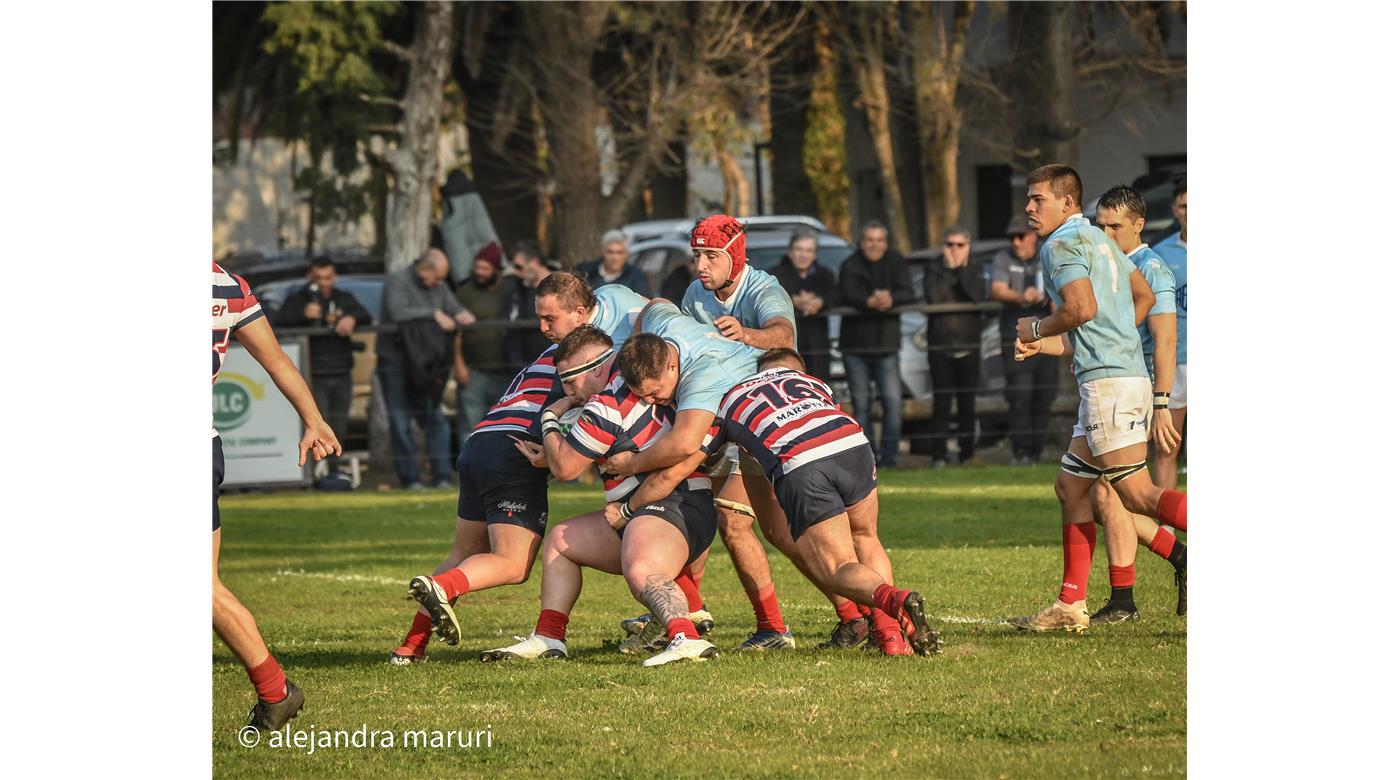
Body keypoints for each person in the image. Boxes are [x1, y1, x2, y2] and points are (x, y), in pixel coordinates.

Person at [392, 274, 649, 663]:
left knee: (465, 549)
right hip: (513, 453)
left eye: (551, 319)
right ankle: (441, 586)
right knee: (512, 564)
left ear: (581, 314)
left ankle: (411, 646)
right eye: (540, 318)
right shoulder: (586, 360)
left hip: (479, 443)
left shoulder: (548, 357)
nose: (544, 329)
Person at [621, 348, 942, 656]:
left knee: (838, 568)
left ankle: (896, 601)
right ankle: (891, 639)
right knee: (867, 538)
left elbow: (681, 465)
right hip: (854, 445)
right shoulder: (813, 383)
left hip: (803, 464)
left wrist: (629, 502)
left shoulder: (728, 399)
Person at [1005, 164, 1188, 633]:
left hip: (1110, 386)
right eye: (1028, 198)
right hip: (1111, 380)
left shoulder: (1062, 243)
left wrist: (1037, 327)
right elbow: (1139, 294)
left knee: (1137, 495)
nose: (1028, 207)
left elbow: (1081, 308)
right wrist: (1111, 339)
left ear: (1067, 203)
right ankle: (1071, 605)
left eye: (1037, 199)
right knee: (1071, 488)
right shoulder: (1098, 239)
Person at [481, 326, 718, 667]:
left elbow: (565, 469)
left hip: (673, 504)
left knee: (642, 567)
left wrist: (549, 418)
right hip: (669, 506)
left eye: (570, 381)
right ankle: (550, 636)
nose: (567, 391)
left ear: (595, 369)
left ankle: (686, 638)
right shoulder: (631, 381)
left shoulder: (607, 405)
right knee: (561, 542)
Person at [673, 213, 849, 653]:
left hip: (765, 420)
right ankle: (687, 613)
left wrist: (747, 334)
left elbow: (784, 335)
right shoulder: (696, 293)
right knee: (702, 509)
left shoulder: (765, 288)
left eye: (711, 256)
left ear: (734, 256)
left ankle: (841, 616)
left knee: (752, 526)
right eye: (697, 256)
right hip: (722, 419)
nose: (701, 266)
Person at [213, 262, 341, 731]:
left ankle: (276, 690)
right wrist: (312, 418)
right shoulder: (228, 284)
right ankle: (275, 691)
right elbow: (277, 360)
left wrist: (314, 419)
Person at [1089, 184, 1187, 622]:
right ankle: (1180, 561)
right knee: (1103, 495)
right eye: (1101, 225)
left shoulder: (1152, 268)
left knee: (1117, 494)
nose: (1106, 233)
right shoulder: (1108, 265)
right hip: (1111, 386)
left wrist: (1162, 402)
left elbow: (1166, 341)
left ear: (1139, 226)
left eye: (1116, 226)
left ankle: (1125, 599)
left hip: (1137, 391)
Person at [377, 249, 475, 489]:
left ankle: (442, 475)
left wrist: (462, 314)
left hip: (428, 365)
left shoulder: (438, 286)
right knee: (400, 421)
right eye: (437, 277)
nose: (439, 283)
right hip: (396, 361)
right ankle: (410, 478)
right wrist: (433, 314)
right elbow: (398, 312)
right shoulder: (397, 281)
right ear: (424, 270)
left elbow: (453, 306)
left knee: (436, 418)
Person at [270, 256, 372, 472]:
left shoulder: (344, 298)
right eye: (318, 278)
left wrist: (351, 318)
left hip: (341, 369)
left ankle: (333, 471)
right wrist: (302, 315)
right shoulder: (298, 298)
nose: (323, 282)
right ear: (310, 277)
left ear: (334, 277)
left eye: (328, 277)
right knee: (315, 423)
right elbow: (276, 321)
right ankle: (314, 473)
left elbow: (366, 314)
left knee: (340, 424)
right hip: (311, 371)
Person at [838, 221, 915, 466]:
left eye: (879, 239)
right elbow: (846, 292)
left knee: (893, 402)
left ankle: (890, 457)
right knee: (862, 406)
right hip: (855, 347)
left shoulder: (896, 262)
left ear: (886, 242)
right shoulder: (850, 264)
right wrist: (868, 301)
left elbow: (909, 292)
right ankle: (867, 458)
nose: (875, 244)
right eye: (870, 240)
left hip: (886, 345)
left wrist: (890, 299)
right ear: (862, 242)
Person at [989, 215, 1057, 464]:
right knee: (1020, 395)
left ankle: (1036, 451)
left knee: (1045, 394)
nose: (1015, 242)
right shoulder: (1003, 257)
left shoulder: (1047, 254)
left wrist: (1054, 301)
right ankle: (1021, 452)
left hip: (1047, 335)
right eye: (1011, 237)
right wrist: (1021, 296)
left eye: (1020, 236)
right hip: (1015, 337)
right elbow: (997, 288)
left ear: (1033, 236)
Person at [924, 226, 984, 468]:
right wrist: (950, 271)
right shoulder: (934, 267)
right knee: (941, 403)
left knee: (967, 403)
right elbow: (933, 296)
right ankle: (939, 456)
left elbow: (976, 295)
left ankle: (966, 454)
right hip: (940, 346)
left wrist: (961, 270)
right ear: (943, 246)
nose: (955, 249)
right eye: (950, 244)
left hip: (969, 345)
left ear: (968, 246)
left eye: (960, 245)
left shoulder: (976, 267)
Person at [453, 242, 514, 443]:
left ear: (497, 270)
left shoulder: (509, 290)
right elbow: (456, 332)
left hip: (505, 371)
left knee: (502, 426)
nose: (479, 272)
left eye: (485, 268)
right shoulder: (465, 292)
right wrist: (459, 365)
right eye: (477, 267)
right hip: (474, 371)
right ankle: (469, 471)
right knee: (470, 425)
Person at [1151, 180, 1188, 489]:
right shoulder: (1161, 254)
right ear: (1176, 210)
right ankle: (1166, 530)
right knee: (1166, 448)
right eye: (1185, 206)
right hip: (1174, 361)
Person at [768, 228, 837, 384]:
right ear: (790, 251)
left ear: (815, 254)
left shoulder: (826, 275)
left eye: (808, 250)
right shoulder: (774, 275)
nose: (803, 255)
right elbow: (769, 296)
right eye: (799, 249)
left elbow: (837, 295)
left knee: (819, 387)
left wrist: (820, 302)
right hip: (787, 345)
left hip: (818, 345)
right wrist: (792, 301)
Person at [506, 240, 554, 367]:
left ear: (535, 262)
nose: (517, 272)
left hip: (557, 362)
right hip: (526, 364)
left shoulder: (562, 286)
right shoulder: (517, 289)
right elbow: (512, 327)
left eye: (519, 267)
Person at [575, 229, 653, 297]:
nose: (615, 258)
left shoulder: (636, 276)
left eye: (620, 253)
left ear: (626, 254)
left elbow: (644, 304)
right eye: (610, 252)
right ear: (602, 252)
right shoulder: (586, 271)